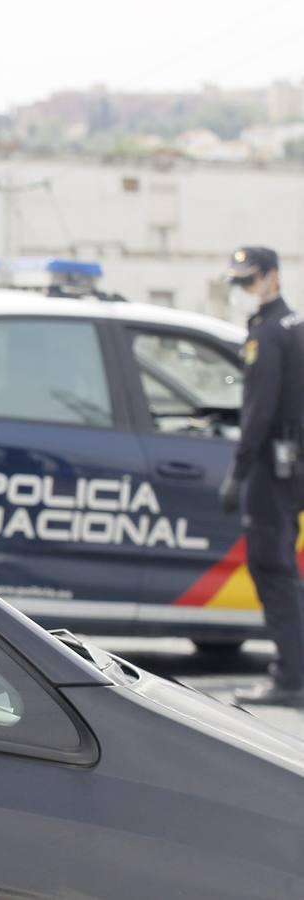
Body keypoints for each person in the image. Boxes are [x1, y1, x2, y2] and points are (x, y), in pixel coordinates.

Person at [219, 246, 304, 708]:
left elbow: (258, 411)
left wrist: (238, 469)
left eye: (248, 281)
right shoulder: (294, 327)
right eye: (236, 282)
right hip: (291, 464)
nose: (242, 290)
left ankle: (291, 678)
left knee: (273, 569)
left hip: (272, 469)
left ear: (272, 278)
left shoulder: (269, 334)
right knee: (284, 571)